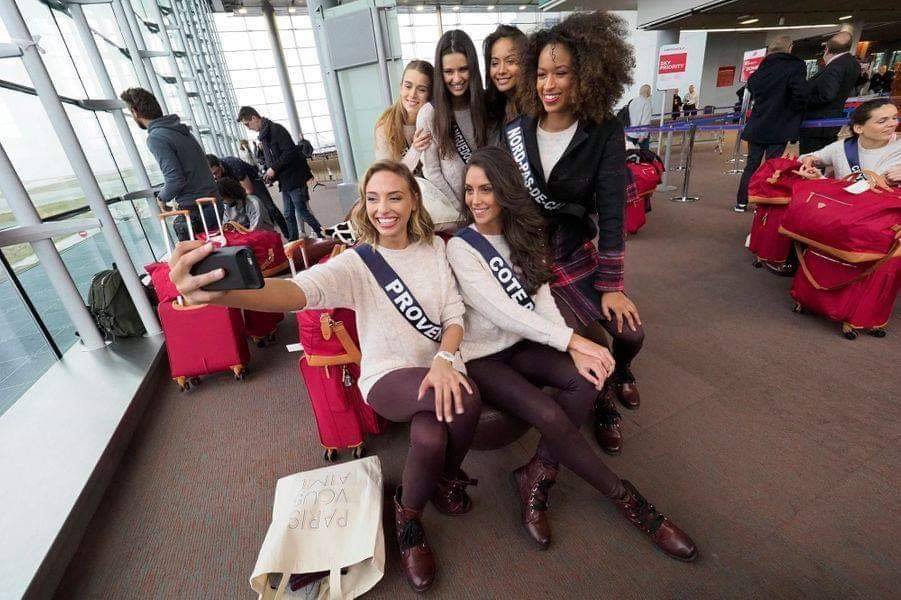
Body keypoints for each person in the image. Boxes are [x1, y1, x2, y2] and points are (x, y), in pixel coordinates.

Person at [169, 160, 480, 592]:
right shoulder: (359, 263)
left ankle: (407, 514)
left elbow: (453, 316)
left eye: (394, 197)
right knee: (466, 399)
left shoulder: (435, 251)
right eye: (373, 199)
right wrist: (223, 294)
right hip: (389, 376)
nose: (383, 209)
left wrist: (445, 358)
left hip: (439, 366)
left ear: (413, 200)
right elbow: (298, 292)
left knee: (430, 438)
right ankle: (444, 482)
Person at [447, 147, 698, 561]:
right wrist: (572, 341)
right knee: (549, 413)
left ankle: (536, 474)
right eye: (470, 190)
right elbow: (503, 311)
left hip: (521, 343)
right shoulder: (462, 247)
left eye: (486, 189)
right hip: (483, 357)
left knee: (588, 375)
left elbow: (541, 296)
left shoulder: (524, 232)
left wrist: (573, 347)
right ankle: (629, 501)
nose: (476, 199)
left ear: (505, 190)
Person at [513, 12, 646, 455]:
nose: (548, 84)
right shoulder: (516, 130)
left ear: (586, 75)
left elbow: (612, 214)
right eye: (541, 74)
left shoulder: (604, 130)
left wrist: (612, 285)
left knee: (630, 334)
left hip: (575, 254)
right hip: (532, 261)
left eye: (561, 73)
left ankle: (622, 371)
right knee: (586, 341)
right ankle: (603, 399)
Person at [120, 87, 218, 241]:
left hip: (196, 210)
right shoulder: (180, 130)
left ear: (135, 111)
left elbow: (175, 179)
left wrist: (161, 198)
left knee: (198, 255)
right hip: (212, 203)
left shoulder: (156, 137)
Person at [734, 36, 807, 212]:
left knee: (751, 165)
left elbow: (748, 89)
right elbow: (800, 95)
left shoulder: (761, 70)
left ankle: (741, 201)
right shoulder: (795, 67)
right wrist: (794, 113)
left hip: (757, 124)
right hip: (779, 125)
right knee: (772, 166)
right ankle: (763, 203)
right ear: (790, 48)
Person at [417, 29, 489, 204]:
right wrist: (459, 210)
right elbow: (432, 171)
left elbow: (495, 162)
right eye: (449, 72)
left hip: (490, 205)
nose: (457, 79)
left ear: (473, 68)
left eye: (463, 69)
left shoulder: (487, 105)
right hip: (453, 210)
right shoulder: (429, 113)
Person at [237, 106, 323, 240]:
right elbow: (274, 158)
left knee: (302, 211)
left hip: (294, 178)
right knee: (289, 214)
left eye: (247, 124)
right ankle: (293, 240)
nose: (248, 128)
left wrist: (273, 169)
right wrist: (271, 173)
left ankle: (322, 233)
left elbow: (289, 152)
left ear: (254, 118)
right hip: (285, 180)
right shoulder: (265, 135)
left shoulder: (276, 130)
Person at [797, 98, 900, 182]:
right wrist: (809, 162)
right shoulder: (841, 148)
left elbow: (873, 188)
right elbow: (805, 159)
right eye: (882, 121)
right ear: (858, 128)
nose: (893, 124)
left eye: (894, 118)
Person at [799, 31, 862, 154]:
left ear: (827, 49)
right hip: (831, 121)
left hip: (817, 124)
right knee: (823, 156)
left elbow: (826, 95)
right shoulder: (852, 63)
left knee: (810, 158)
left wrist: (802, 100)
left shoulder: (835, 67)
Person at [206, 153, 289, 238]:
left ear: (220, 165)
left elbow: (248, 190)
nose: (215, 177)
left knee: (270, 207)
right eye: (212, 175)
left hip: (251, 180)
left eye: (216, 173)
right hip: (235, 185)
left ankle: (287, 234)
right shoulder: (214, 175)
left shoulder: (234, 165)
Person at [373, 60, 434, 172]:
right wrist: (415, 150)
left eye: (421, 90)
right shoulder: (385, 127)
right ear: (401, 88)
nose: (412, 94)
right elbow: (389, 176)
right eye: (408, 86)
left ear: (431, 94)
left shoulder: (435, 121)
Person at [484, 24, 527, 139]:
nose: (501, 70)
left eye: (510, 61)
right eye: (495, 63)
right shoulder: (494, 106)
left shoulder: (536, 108)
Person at [626, 84, 653, 150]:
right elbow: (645, 120)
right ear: (648, 91)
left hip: (630, 132)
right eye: (650, 90)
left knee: (629, 152)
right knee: (645, 153)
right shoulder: (647, 102)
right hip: (641, 133)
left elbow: (628, 116)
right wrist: (643, 135)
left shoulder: (633, 101)